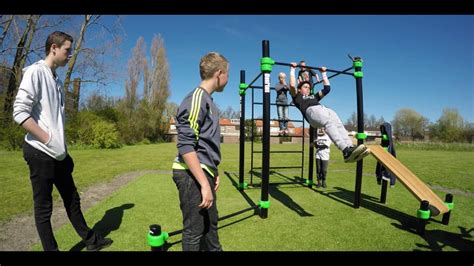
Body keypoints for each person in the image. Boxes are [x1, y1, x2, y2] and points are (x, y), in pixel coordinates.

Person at [12, 31, 112, 251]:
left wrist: (63, 151)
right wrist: (47, 139)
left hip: (57, 155)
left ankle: (92, 242)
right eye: (67, 50)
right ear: (53, 48)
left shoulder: (55, 79)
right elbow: (19, 113)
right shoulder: (36, 72)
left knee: (72, 200)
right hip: (39, 152)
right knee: (44, 209)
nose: (70, 55)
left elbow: (53, 121)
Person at [172, 52, 229, 251]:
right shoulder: (196, 98)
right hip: (190, 175)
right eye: (227, 74)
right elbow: (186, 146)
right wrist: (204, 183)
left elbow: (205, 144)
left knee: (210, 226)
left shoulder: (209, 101)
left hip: (204, 173)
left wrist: (213, 172)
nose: (227, 79)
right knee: (193, 232)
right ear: (219, 73)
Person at [289, 62, 370, 163]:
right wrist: (292, 70)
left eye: (309, 87)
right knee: (328, 122)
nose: (308, 88)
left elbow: (327, 89)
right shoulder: (297, 96)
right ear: (299, 90)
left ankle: (350, 147)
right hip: (311, 112)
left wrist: (323, 73)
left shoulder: (314, 96)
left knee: (338, 123)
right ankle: (345, 150)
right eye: (305, 87)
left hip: (321, 109)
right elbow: (292, 85)